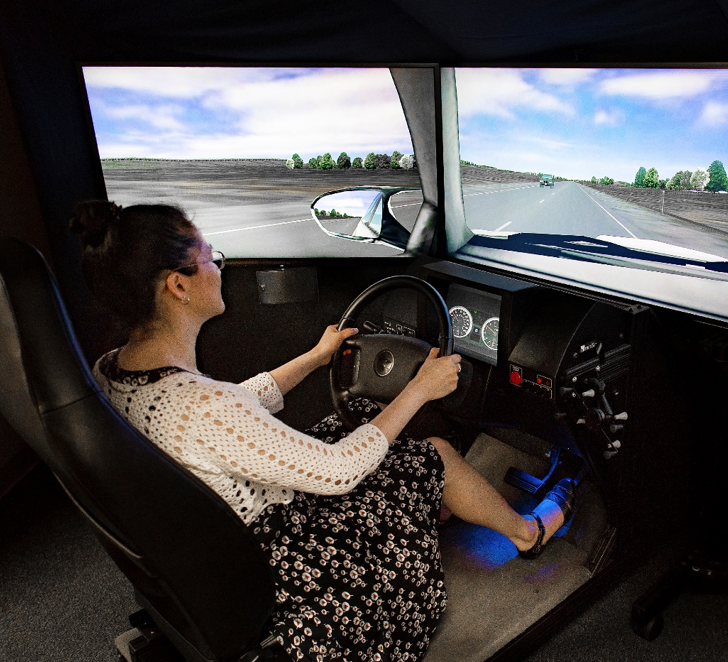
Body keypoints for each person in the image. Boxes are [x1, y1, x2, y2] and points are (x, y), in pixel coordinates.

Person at [70, 201, 576, 662]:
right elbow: (334, 473)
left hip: (219, 547)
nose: (218, 265)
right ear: (177, 285)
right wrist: (419, 388)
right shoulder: (202, 405)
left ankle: (427, 508)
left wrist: (315, 357)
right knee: (432, 453)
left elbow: (233, 408)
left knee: (346, 422)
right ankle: (527, 533)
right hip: (284, 568)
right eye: (209, 256)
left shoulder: (112, 369)